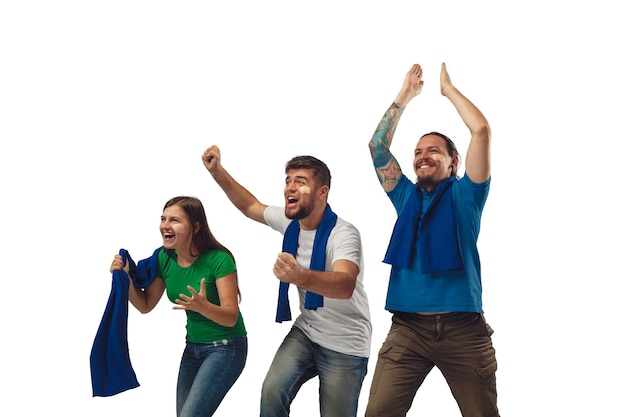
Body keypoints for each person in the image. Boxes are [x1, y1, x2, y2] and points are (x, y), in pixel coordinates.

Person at [364, 63, 499, 417]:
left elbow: (481, 130)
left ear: (453, 163)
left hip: (464, 330)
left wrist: (449, 91)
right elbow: (377, 146)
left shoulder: (467, 195)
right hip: (408, 329)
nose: (423, 156)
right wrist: (405, 95)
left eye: (434, 151)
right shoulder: (406, 197)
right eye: (418, 152)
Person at [202, 147, 372, 417]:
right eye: (288, 180)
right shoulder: (290, 221)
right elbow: (249, 206)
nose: (290, 187)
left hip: (346, 342)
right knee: (271, 391)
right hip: (307, 332)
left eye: (300, 182)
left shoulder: (343, 234)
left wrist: (299, 277)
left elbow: (344, 284)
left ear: (322, 192)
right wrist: (217, 171)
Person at [109, 196, 248, 417]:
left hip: (226, 347)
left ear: (195, 227)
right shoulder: (165, 259)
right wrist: (125, 278)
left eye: (174, 220)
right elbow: (145, 305)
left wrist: (203, 307)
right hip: (193, 348)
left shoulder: (219, 259)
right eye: (163, 218)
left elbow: (231, 316)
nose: (165, 225)